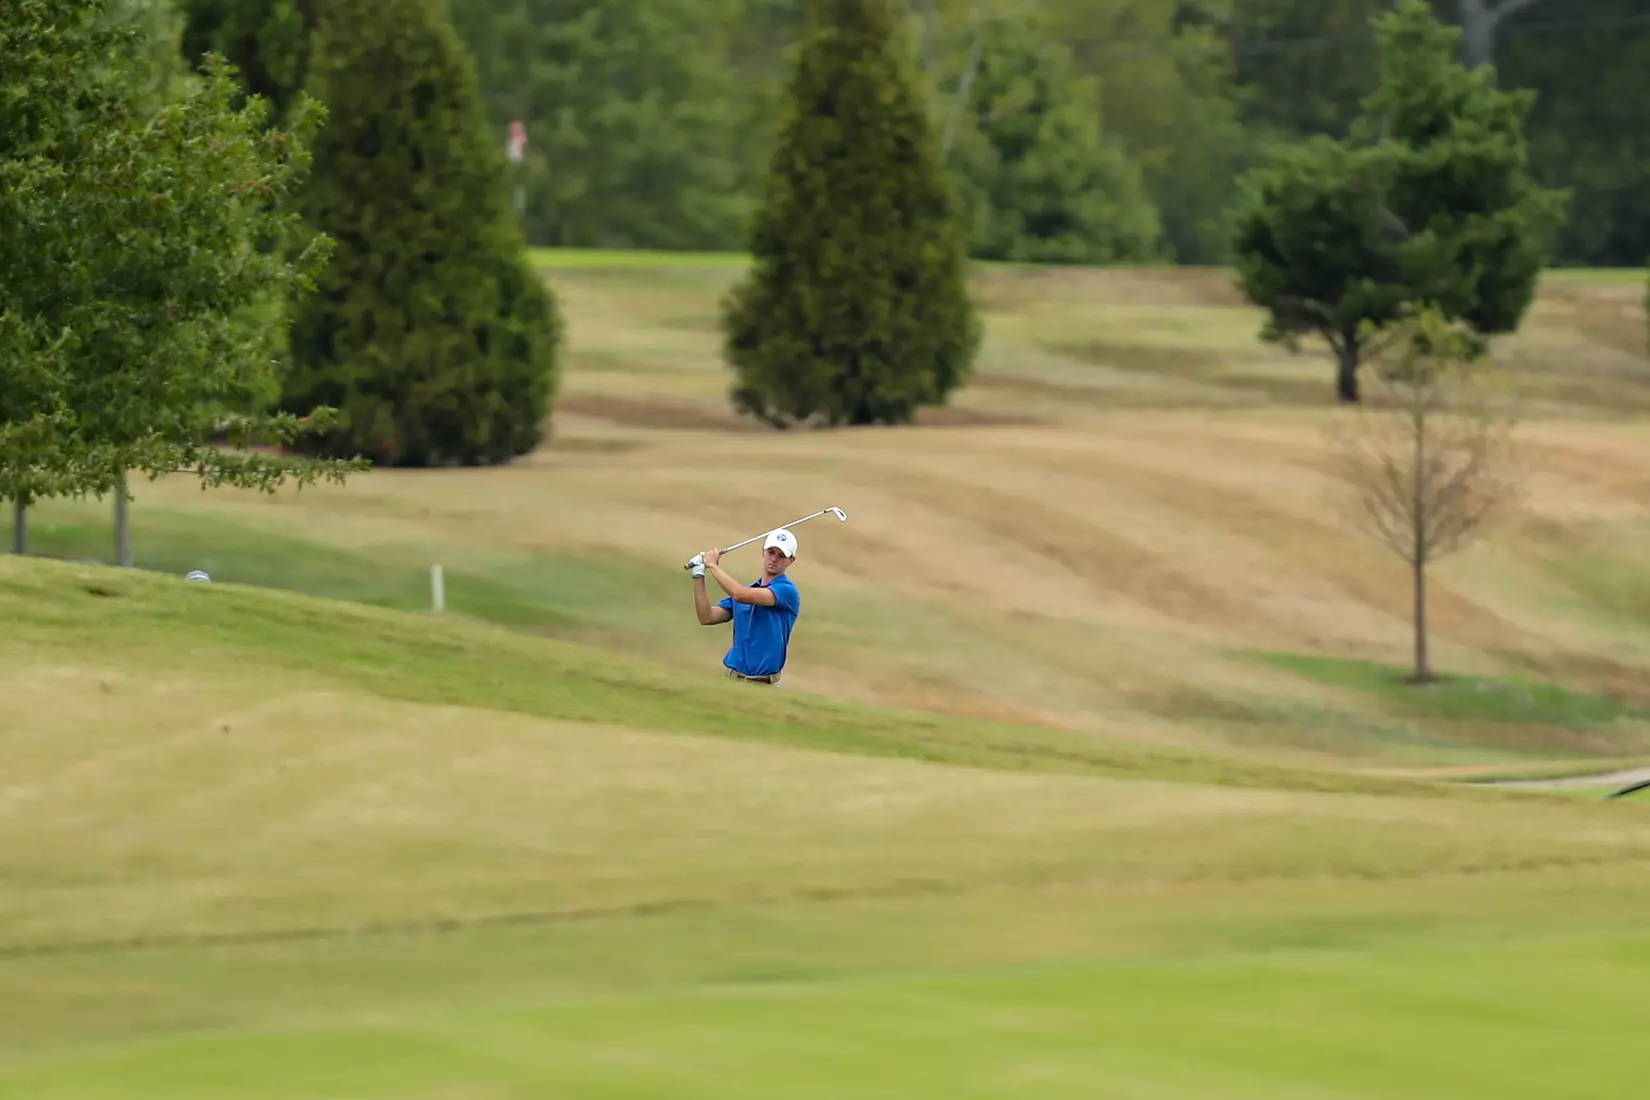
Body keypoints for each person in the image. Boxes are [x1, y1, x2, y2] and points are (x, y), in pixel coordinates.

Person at [688, 527, 802, 684]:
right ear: (763, 552)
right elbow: (706, 617)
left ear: (791, 560)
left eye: (782, 555)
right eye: (771, 552)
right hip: (731, 677)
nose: (774, 558)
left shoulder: (787, 591)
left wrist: (713, 566)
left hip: (765, 683)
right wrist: (698, 575)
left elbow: (740, 595)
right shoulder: (748, 591)